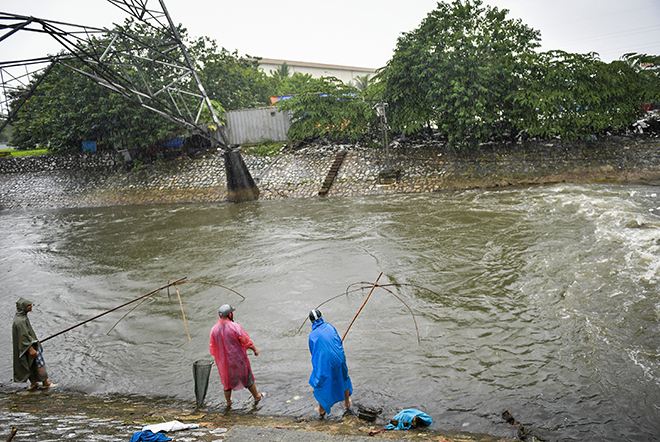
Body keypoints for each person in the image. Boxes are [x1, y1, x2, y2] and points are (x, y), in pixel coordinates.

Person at [209, 304, 264, 406]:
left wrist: (220, 357)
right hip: (237, 358)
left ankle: (228, 402)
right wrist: (254, 349)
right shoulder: (235, 327)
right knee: (247, 377)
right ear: (230, 314)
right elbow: (245, 340)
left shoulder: (214, 329)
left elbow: (212, 347)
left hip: (223, 362)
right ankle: (257, 396)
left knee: (226, 381)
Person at [308, 309, 352, 417]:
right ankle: (347, 403)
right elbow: (337, 341)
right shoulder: (330, 326)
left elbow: (313, 352)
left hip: (326, 362)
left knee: (321, 382)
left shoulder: (312, 335)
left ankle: (321, 409)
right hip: (339, 358)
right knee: (344, 377)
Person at [12, 298, 53, 390]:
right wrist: (31, 348)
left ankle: (33, 383)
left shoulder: (20, 317)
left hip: (24, 346)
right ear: (23, 307)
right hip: (29, 346)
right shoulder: (20, 321)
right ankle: (45, 383)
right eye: (29, 305)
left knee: (29, 364)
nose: (31, 307)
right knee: (39, 363)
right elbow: (24, 337)